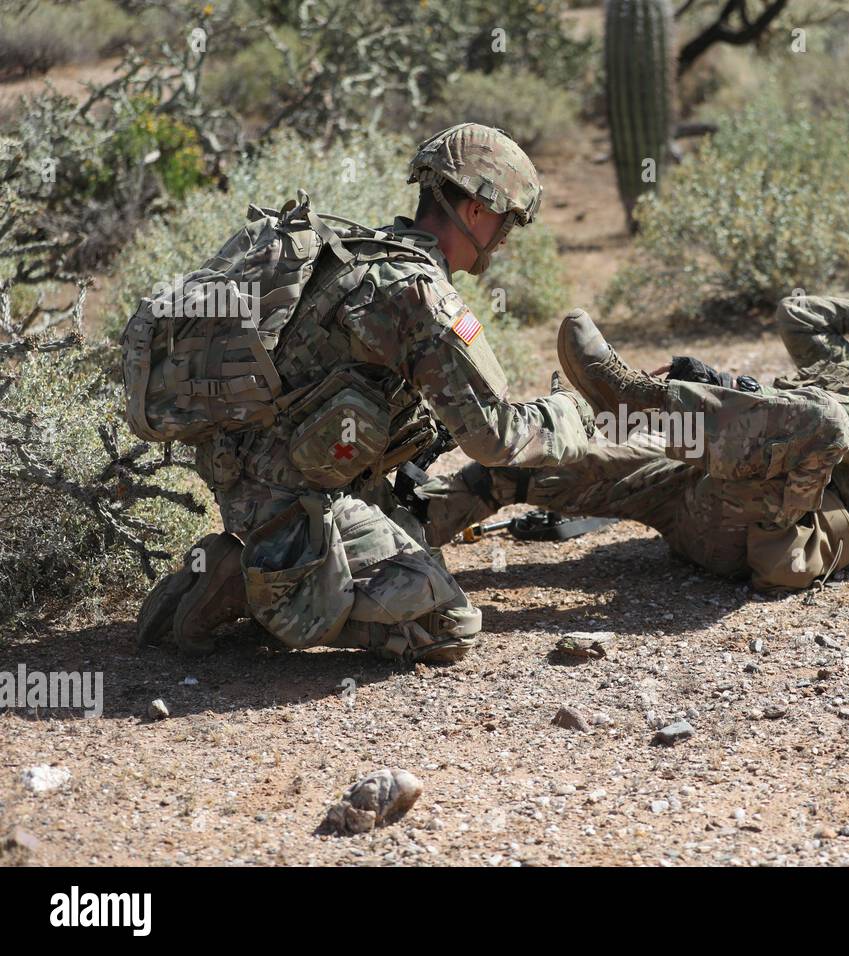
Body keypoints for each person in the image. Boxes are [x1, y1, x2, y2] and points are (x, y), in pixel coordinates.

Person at [136, 123, 593, 663]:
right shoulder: (419, 295)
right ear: (475, 210)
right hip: (296, 507)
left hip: (254, 480)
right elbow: (496, 439)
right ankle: (259, 590)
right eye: (507, 221)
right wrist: (571, 414)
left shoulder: (358, 254)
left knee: (416, 537)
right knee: (446, 623)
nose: (506, 236)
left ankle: (261, 571)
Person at [411, 263, 849, 591]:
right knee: (531, 465)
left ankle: (639, 402)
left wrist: (745, 401)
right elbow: (798, 314)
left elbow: (838, 431)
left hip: (769, 526)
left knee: (824, 419)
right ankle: (399, 536)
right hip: (694, 489)